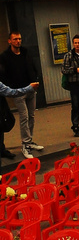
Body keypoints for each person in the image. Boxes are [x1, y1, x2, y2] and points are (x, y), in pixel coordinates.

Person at [0, 31, 43, 159]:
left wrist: (35, 79)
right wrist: (11, 87)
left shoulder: (25, 52)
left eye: (19, 39)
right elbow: (3, 74)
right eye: (15, 39)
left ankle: (29, 141)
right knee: (24, 117)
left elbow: (33, 66)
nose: (18, 41)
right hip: (18, 91)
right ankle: (25, 144)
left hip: (31, 89)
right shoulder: (5, 56)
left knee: (31, 116)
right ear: (9, 41)